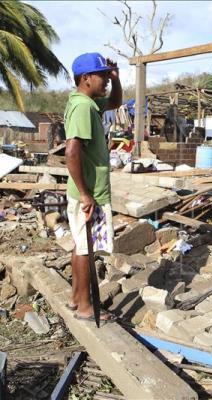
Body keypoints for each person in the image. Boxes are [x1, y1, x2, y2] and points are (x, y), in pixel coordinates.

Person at [65, 52, 122, 323]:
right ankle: (87, 308)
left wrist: (116, 77)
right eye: (102, 75)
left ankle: (77, 299)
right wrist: (87, 194)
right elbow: (72, 151)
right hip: (91, 193)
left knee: (80, 246)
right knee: (87, 248)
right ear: (86, 78)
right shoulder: (84, 107)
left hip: (87, 191)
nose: (106, 80)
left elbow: (116, 101)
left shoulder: (86, 102)